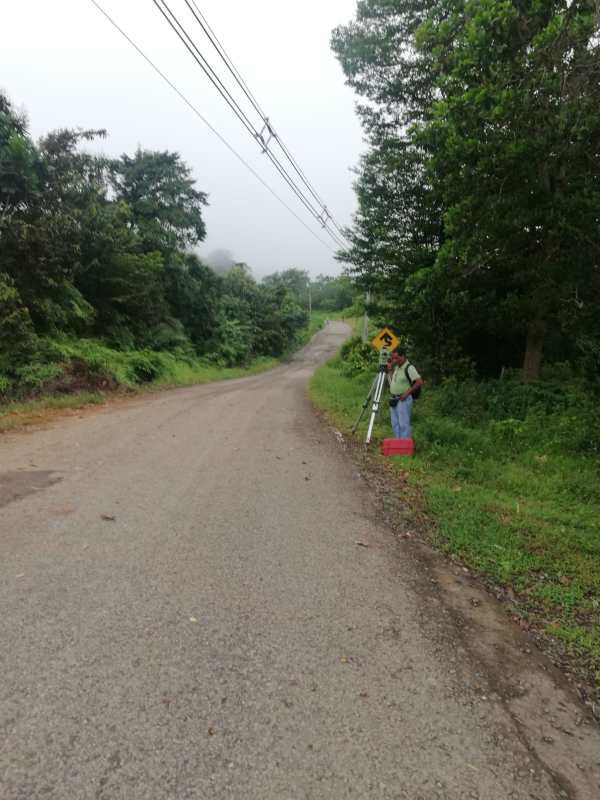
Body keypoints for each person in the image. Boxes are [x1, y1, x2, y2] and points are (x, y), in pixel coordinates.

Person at [386, 347, 423, 439]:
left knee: (403, 423)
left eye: (396, 358)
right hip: (394, 398)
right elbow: (393, 381)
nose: (395, 360)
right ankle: (398, 444)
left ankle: (405, 446)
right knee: (395, 423)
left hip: (403, 399)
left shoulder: (409, 367)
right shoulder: (397, 367)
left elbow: (419, 382)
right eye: (393, 358)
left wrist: (407, 393)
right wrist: (390, 369)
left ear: (403, 356)